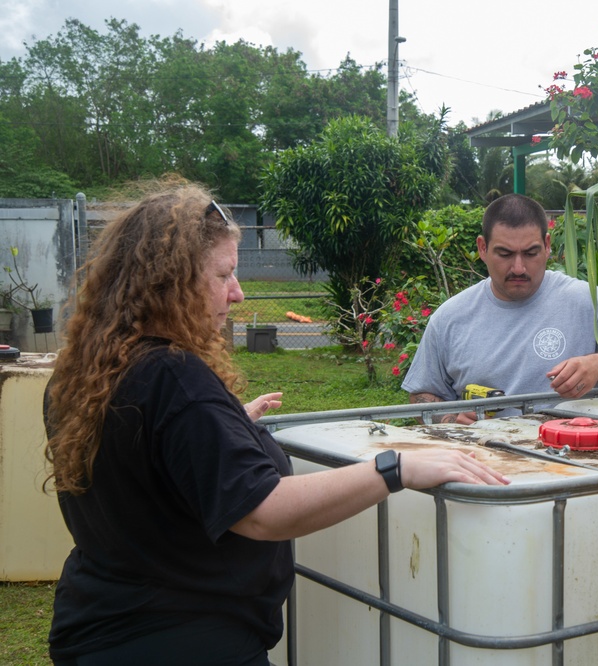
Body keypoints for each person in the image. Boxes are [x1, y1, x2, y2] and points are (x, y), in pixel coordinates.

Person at [42, 184, 509, 666]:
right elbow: (263, 511)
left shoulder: (81, 372)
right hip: (184, 640)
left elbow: (144, 466)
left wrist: (222, 426)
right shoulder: (172, 377)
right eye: (223, 274)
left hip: (97, 624)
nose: (238, 292)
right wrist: (396, 468)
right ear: (168, 283)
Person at [402, 193, 598, 424]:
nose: (518, 268)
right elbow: (421, 396)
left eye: (530, 253)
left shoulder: (585, 301)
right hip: (481, 462)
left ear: (548, 246)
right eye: (504, 254)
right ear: (482, 248)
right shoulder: (450, 317)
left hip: (572, 460)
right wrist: (450, 419)